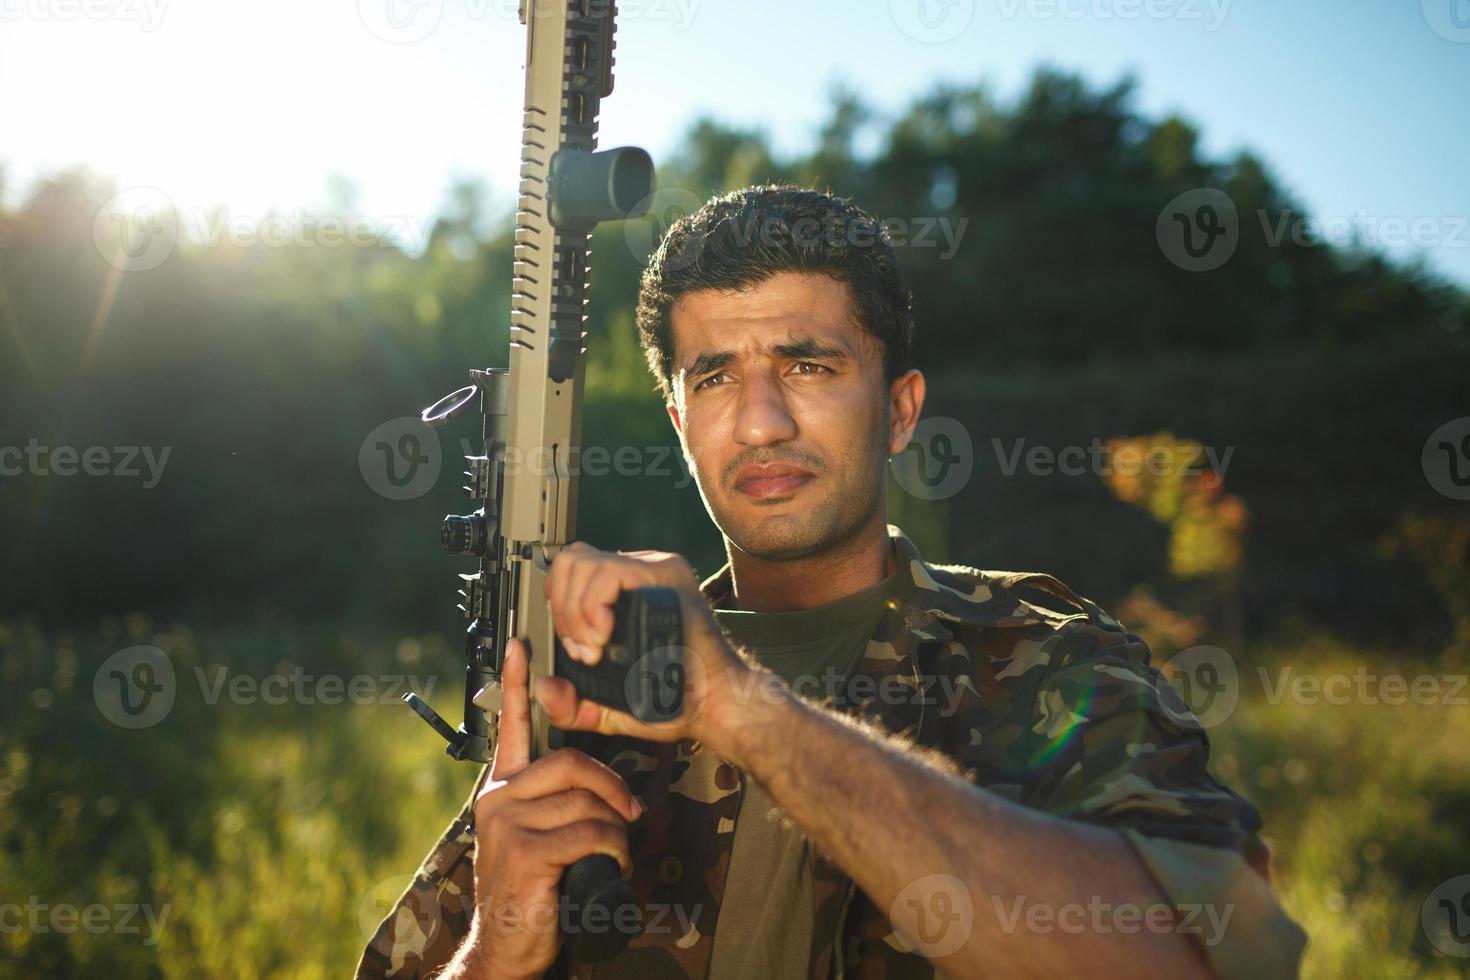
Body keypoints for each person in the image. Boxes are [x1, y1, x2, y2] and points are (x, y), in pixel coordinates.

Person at [357, 186, 1306, 980]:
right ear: (681, 422)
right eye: (719, 378)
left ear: (899, 411)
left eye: (808, 365)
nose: (762, 422)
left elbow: (1203, 957)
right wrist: (494, 949)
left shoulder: (1041, 652)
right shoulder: (592, 695)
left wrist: (740, 706)